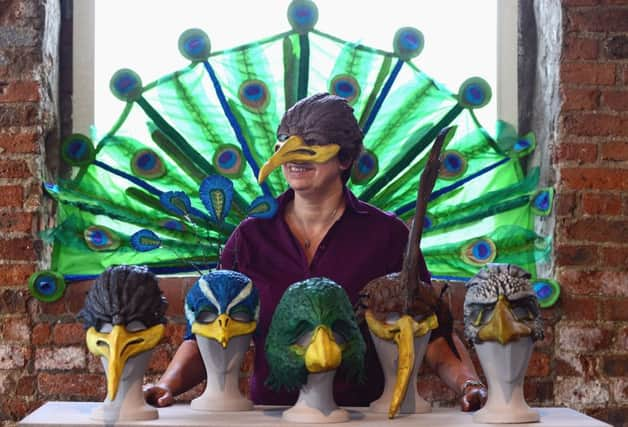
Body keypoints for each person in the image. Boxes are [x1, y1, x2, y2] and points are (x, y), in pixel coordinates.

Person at [144, 93, 487, 410]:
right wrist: (167, 386)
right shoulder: (250, 236)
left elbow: (432, 332)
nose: (292, 157)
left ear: (346, 157)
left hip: (359, 416)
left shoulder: (388, 236)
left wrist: (468, 385)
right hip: (270, 415)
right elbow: (204, 335)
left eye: (313, 144)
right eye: (285, 144)